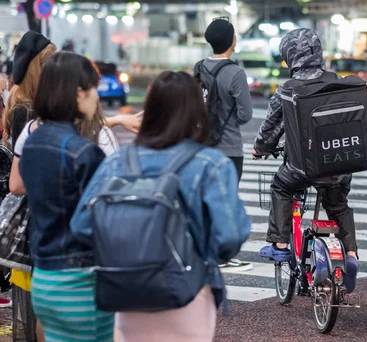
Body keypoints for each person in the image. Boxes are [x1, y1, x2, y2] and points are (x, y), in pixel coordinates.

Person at [71, 71, 251, 342]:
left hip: (126, 292)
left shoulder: (118, 162)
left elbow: (81, 226)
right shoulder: (210, 164)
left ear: (150, 109)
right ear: (196, 112)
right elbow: (230, 236)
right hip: (188, 292)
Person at [253, 28, 359, 292]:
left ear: (289, 56)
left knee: (281, 186)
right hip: (339, 164)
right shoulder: (338, 82)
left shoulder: (288, 90)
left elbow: (271, 128)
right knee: (339, 207)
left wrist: (262, 148)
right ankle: (351, 255)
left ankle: (279, 245)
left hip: (302, 168)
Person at [19, 51, 113, 342]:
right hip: (81, 280)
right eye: (92, 88)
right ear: (77, 92)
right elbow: (103, 223)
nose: (97, 96)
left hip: (45, 277)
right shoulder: (84, 152)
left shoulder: (33, 141)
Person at [201, 17, 253, 271]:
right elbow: (245, 115)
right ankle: (223, 255)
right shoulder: (235, 73)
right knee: (227, 201)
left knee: (204, 199)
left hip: (201, 147)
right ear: (233, 40)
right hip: (229, 148)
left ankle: (205, 250)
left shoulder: (198, 67)